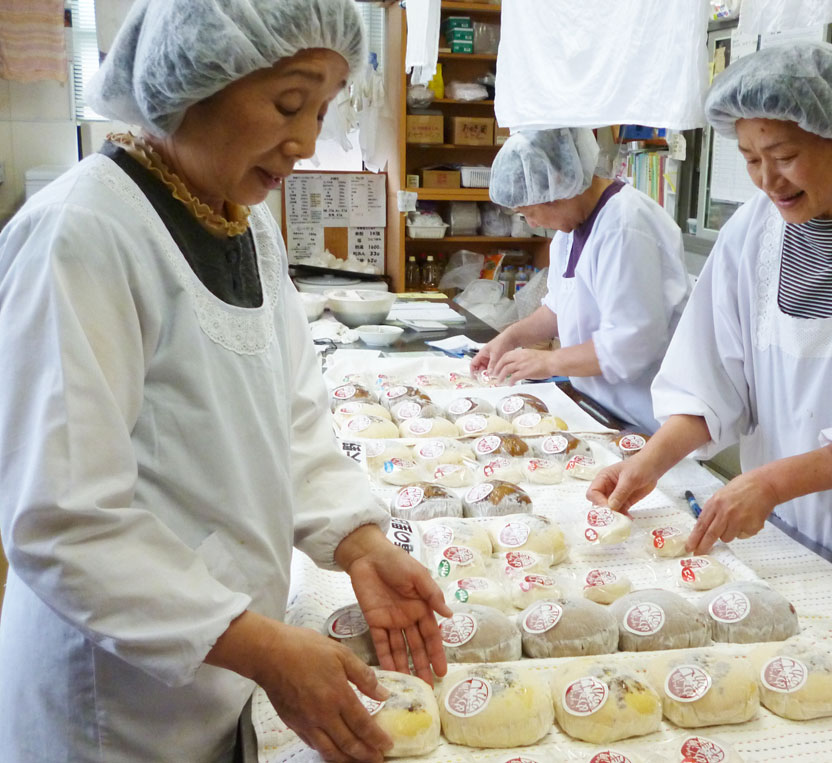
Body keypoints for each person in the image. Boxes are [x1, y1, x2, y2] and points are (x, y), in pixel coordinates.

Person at [0, 2, 450, 762]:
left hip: (223, 663)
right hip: (115, 698)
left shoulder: (247, 224)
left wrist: (361, 541)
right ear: (195, 79)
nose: (307, 141)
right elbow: (64, 517)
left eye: (325, 108)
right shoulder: (84, 234)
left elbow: (292, 420)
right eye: (288, 103)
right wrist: (264, 648)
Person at [587, 40, 832, 614]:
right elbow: (711, 379)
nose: (767, 180)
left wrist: (769, 484)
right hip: (774, 544)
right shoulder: (754, 231)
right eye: (749, 159)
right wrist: (650, 460)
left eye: (784, 155)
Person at [470, 128, 690, 434]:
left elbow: (629, 346)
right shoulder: (569, 233)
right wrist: (509, 338)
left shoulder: (626, 226)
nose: (533, 223)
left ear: (558, 186)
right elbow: (558, 309)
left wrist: (549, 362)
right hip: (602, 408)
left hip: (647, 419)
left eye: (530, 213)